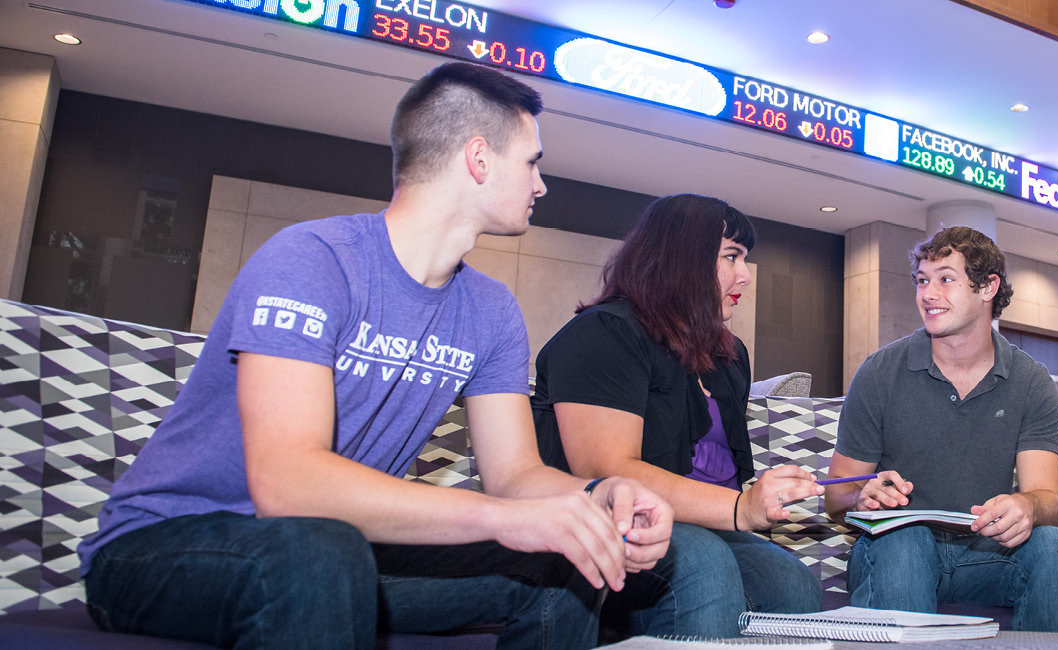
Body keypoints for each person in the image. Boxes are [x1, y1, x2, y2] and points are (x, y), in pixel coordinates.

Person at [78, 62, 673, 650]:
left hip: (332, 548)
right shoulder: (312, 260)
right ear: (479, 159)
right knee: (315, 550)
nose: (541, 185)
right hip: (167, 545)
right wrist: (500, 520)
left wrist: (597, 496)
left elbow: (515, 475)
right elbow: (287, 486)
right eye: (532, 162)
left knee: (565, 561)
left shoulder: (491, 310)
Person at [532, 194, 823, 638]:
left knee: (793, 582)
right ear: (681, 260)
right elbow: (606, 472)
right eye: (732, 256)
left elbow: (729, 472)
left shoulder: (730, 355)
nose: (745, 275)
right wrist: (741, 508)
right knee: (704, 564)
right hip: (616, 525)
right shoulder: (604, 333)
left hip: (709, 527)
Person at [822, 226, 1058, 632]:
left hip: (990, 555)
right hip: (897, 550)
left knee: (1057, 549)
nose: (928, 294)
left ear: (988, 288)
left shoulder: (1030, 381)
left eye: (945, 279)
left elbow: (1048, 499)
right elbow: (835, 496)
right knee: (906, 538)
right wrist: (862, 496)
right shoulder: (880, 371)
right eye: (922, 281)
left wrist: (1027, 506)